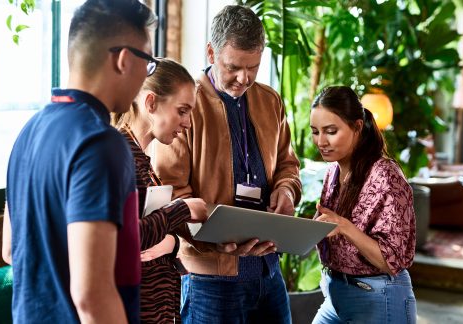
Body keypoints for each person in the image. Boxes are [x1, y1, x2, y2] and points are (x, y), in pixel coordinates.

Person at [2, 1, 157, 323]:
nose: (147, 75)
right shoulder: (100, 143)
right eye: (149, 62)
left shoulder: (28, 132)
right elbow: (92, 296)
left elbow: (9, 250)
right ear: (125, 60)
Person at [153, 4, 301, 323]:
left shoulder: (271, 101)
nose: (243, 78)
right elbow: (169, 193)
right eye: (233, 66)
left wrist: (287, 192)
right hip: (210, 279)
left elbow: (289, 166)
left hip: (268, 270)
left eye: (253, 67)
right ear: (211, 52)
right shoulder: (186, 106)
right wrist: (210, 235)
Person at [309, 86, 417, 323]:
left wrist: (345, 227)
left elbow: (392, 261)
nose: (321, 141)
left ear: (357, 127)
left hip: (379, 297)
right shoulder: (333, 172)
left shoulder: (385, 175)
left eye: (331, 131)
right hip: (336, 292)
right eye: (315, 131)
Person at [111, 58, 207, 323]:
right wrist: (183, 209)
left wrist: (172, 242)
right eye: (182, 110)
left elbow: (154, 236)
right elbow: (124, 239)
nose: (188, 123)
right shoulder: (119, 157)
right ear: (151, 103)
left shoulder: (143, 160)